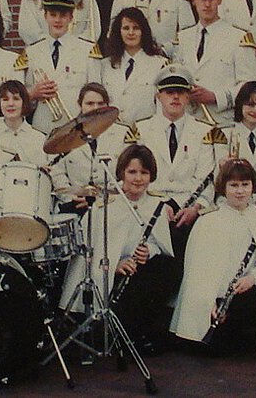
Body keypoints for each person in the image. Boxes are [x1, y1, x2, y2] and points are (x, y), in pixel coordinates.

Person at [59, 145, 179, 354]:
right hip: (107, 272)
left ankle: (136, 332)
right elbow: (90, 250)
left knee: (168, 269)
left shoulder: (156, 204)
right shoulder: (104, 206)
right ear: (122, 173)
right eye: (132, 172)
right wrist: (114, 264)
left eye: (144, 172)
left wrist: (149, 251)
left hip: (138, 270)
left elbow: (159, 244)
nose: (138, 178)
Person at [172, 160, 256, 355]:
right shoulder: (208, 220)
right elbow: (199, 271)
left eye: (245, 184)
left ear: (253, 186)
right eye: (234, 185)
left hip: (244, 291)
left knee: (252, 307)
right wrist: (208, 301)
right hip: (213, 297)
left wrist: (252, 278)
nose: (240, 191)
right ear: (223, 188)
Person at [132, 65, 216, 259]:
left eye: (181, 92)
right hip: (149, 206)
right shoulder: (141, 130)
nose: (175, 98)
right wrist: (158, 206)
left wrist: (196, 208)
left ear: (188, 97)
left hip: (188, 209)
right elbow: (136, 175)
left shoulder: (204, 131)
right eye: (169, 92)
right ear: (158, 96)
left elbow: (206, 178)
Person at [174, 0, 256, 125]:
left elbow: (249, 87)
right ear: (193, 0)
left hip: (222, 123)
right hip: (187, 122)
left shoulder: (238, 38)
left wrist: (215, 96)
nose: (207, 4)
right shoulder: (183, 38)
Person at [21, 0, 101, 134]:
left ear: (71, 17)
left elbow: (96, 94)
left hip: (76, 129)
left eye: (63, 15)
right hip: (41, 129)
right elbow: (23, 98)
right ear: (45, 16)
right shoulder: (32, 52)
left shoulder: (87, 50)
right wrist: (33, 93)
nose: (57, 20)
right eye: (53, 15)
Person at [48, 82, 133, 214]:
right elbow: (57, 172)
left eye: (101, 103)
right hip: (73, 207)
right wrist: (70, 197)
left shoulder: (123, 134)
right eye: (90, 103)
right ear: (80, 105)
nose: (95, 108)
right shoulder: (65, 133)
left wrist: (101, 197)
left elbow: (129, 174)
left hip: (111, 206)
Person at [211, 82, 256, 206]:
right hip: (230, 203)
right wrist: (222, 167)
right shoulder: (224, 134)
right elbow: (217, 181)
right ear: (240, 105)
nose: (255, 110)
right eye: (250, 105)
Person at [99, 7, 168, 123]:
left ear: (143, 32)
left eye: (136, 28)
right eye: (126, 28)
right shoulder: (104, 65)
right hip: (111, 133)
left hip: (145, 134)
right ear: (118, 31)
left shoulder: (159, 65)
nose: (131, 33)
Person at [0, 79, 48, 168]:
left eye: (16, 99)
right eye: (5, 99)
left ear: (24, 102)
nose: (10, 104)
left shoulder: (39, 139)